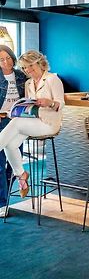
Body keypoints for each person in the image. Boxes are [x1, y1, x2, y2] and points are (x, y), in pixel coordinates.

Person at [0, 50, 65, 199]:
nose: (27, 70)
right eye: (24, 67)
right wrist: (15, 111)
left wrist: (50, 103)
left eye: (30, 66)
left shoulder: (52, 79)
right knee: (10, 144)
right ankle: (21, 174)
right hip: (33, 121)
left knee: (16, 123)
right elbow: (28, 107)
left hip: (49, 123)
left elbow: (60, 104)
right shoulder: (28, 83)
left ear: (39, 63)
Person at [0, 46, 27, 218]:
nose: (6, 62)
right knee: (0, 163)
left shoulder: (21, 76)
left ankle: (6, 197)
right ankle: (1, 203)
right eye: (1, 59)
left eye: (8, 58)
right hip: (1, 120)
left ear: (13, 57)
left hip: (18, 121)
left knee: (15, 162)